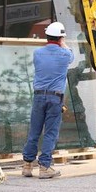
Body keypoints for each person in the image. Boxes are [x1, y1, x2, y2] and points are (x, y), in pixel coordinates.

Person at [22, 21, 74, 179]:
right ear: (60, 38)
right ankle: (44, 166)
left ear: (47, 36)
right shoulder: (65, 54)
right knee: (50, 132)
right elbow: (71, 56)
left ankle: (27, 165)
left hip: (38, 96)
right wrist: (63, 44)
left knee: (34, 131)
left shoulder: (37, 53)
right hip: (54, 97)